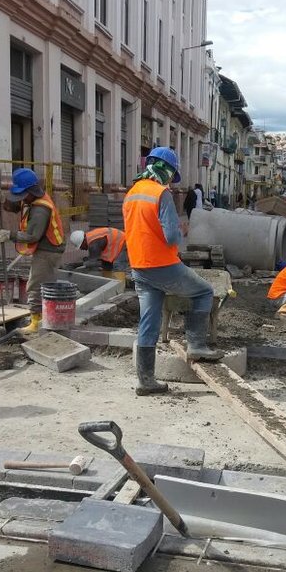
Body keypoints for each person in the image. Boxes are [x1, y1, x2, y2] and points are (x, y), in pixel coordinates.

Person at [123, 146, 222, 396]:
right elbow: (170, 237)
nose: (171, 180)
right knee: (204, 292)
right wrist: (181, 231)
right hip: (162, 265)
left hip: (139, 267)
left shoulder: (132, 193)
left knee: (149, 320)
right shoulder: (160, 193)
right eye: (171, 174)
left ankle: (146, 381)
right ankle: (197, 345)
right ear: (165, 169)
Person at [0, 168, 67, 334]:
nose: (21, 197)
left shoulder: (41, 209)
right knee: (38, 283)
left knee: (35, 285)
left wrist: (10, 235)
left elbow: (33, 236)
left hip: (50, 250)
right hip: (45, 247)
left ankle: (37, 322)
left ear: (30, 191)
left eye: (22, 193)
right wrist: (2, 200)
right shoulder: (33, 198)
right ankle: (41, 318)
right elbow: (16, 205)